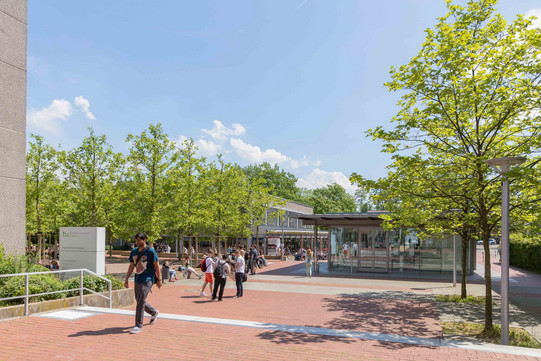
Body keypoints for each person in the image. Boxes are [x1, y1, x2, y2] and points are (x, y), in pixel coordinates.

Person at [124, 232, 161, 334]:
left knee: (140, 302)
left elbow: (157, 265)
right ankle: (154, 312)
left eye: (139, 240)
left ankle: (138, 325)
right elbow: (132, 265)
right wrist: (127, 278)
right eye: (136, 240)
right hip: (138, 278)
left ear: (145, 240)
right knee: (140, 300)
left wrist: (159, 280)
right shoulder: (134, 251)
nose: (137, 242)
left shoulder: (151, 251)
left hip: (148, 279)